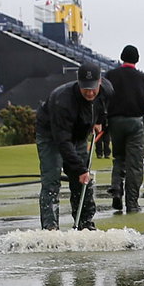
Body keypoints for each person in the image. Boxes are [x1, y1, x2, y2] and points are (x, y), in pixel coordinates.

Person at [35, 64, 110, 231]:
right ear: (78, 83)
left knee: (83, 182)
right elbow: (63, 141)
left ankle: (85, 224)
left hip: (80, 133)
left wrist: (99, 120)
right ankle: (50, 227)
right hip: (51, 135)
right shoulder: (62, 99)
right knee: (52, 178)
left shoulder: (106, 90)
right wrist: (80, 169)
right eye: (85, 89)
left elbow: (104, 108)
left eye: (93, 89)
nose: (90, 93)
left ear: (100, 82)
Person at [103, 44, 144, 214]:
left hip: (114, 121)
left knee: (119, 157)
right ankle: (132, 202)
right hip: (134, 121)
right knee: (135, 163)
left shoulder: (110, 75)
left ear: (122, 57)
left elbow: (101, 94)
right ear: (136, 60)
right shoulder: (141, 77)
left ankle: (116, 188)